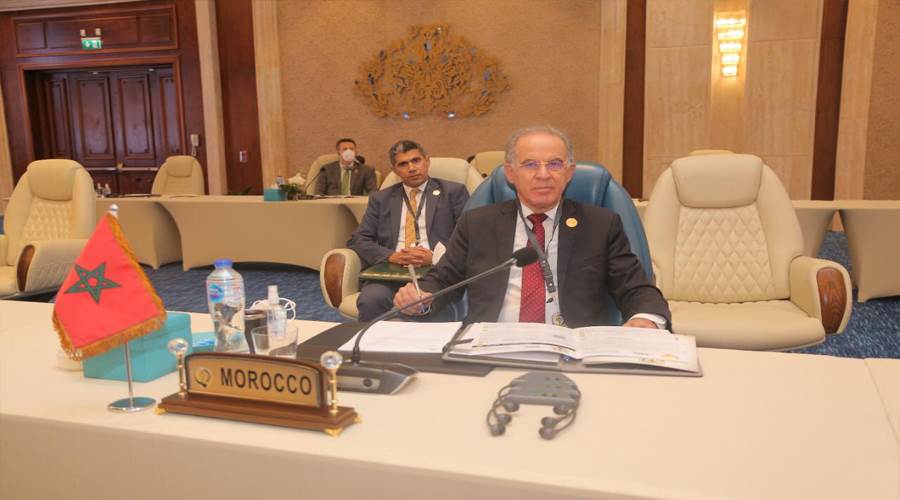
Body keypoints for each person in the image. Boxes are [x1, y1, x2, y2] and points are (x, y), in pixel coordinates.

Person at [393, 126, 671, 329]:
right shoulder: (477, 223)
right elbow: (443, 280)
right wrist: (420, 296)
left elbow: (637, 288)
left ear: (569, 172)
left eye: (555, 164)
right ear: (510, 173)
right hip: (490, 344)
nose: (543, 175)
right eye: (529, 165)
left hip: (573, 345)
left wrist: (645, 318)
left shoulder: (600, 224)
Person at [348, 140, 470, 321]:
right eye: (403, 164)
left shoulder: (453, 192)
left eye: (416, 160)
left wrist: (434, 256)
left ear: (427, 161)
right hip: (391, 272)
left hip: (436, 272)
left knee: (423, 303)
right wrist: (392, 256)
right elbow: (358, 239)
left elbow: (467, 236)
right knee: (370, 299)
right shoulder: (381, 199)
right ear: (395, 170)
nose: (411, 168)